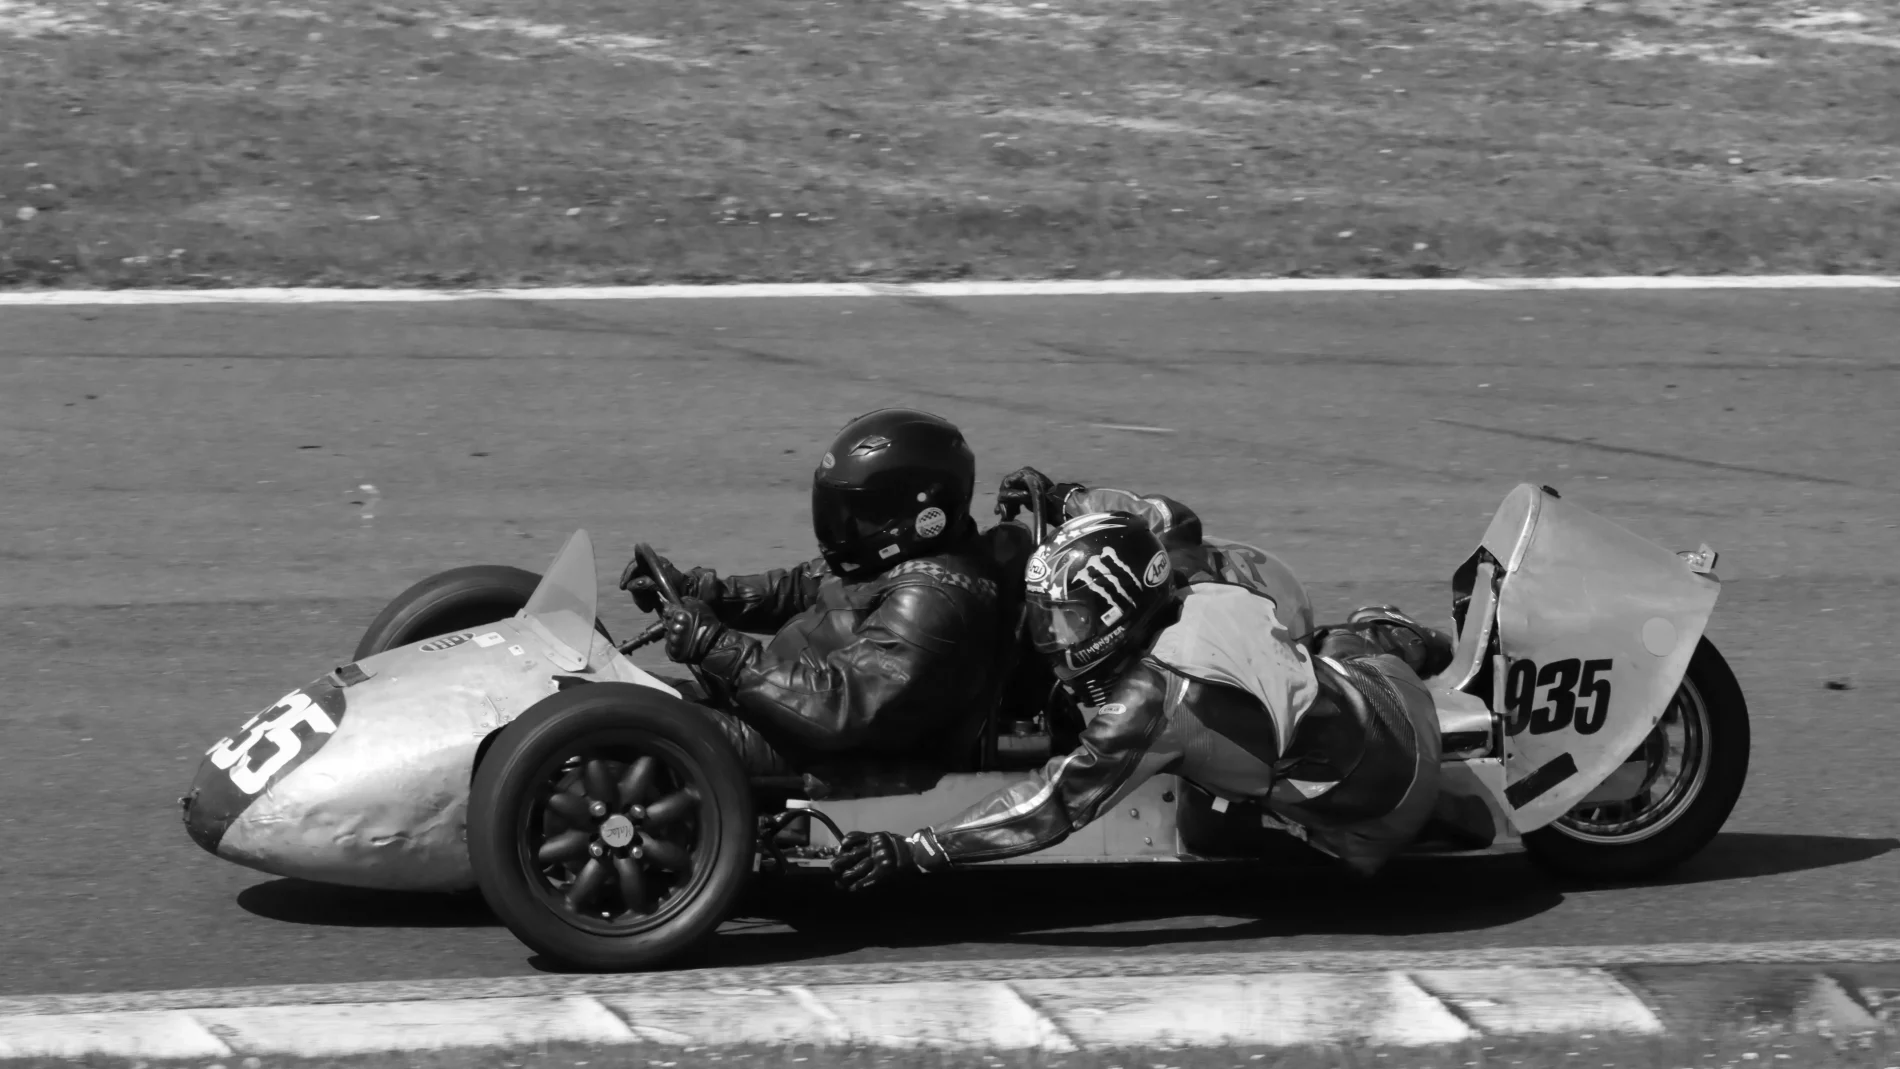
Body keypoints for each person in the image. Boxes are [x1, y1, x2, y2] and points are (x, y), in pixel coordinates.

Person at [829, 488, 1456, 890]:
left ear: (1116, 609)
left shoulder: (1150, 702)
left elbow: (1049, 806)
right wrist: (1070, 498)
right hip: (1386, 699)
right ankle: (1405, 637)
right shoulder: (1186, 580)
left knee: (1200, 827)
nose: (1050, 636)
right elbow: (1168, 518)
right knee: (1338, 646)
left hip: (1366, 832)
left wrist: (917, 848)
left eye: (1066, 619)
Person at [617, 408, 1015, 778]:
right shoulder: (884, 558)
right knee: (599, 688)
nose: (845, 526)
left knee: (621, 727)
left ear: (923, 516)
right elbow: (797, 587)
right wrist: (701, 592)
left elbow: (841, 707)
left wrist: (720, 648)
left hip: (819, 757)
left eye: (861, 513)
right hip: (775, 712)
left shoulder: (934, 600)